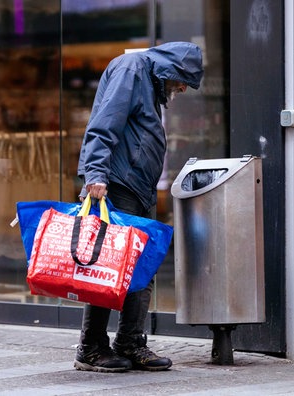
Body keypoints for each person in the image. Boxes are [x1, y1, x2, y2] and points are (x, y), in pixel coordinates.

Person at [74, 41, 204, 372]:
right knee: (107, 265)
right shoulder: (131, 70)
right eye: (183, 79)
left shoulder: (149, 81)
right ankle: (91, 347)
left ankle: (130, 342)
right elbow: (104, 124)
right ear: (171, 70)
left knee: (141, 267)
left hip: (138, 187)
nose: (183, 88)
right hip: (116, 184)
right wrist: (96, 173)